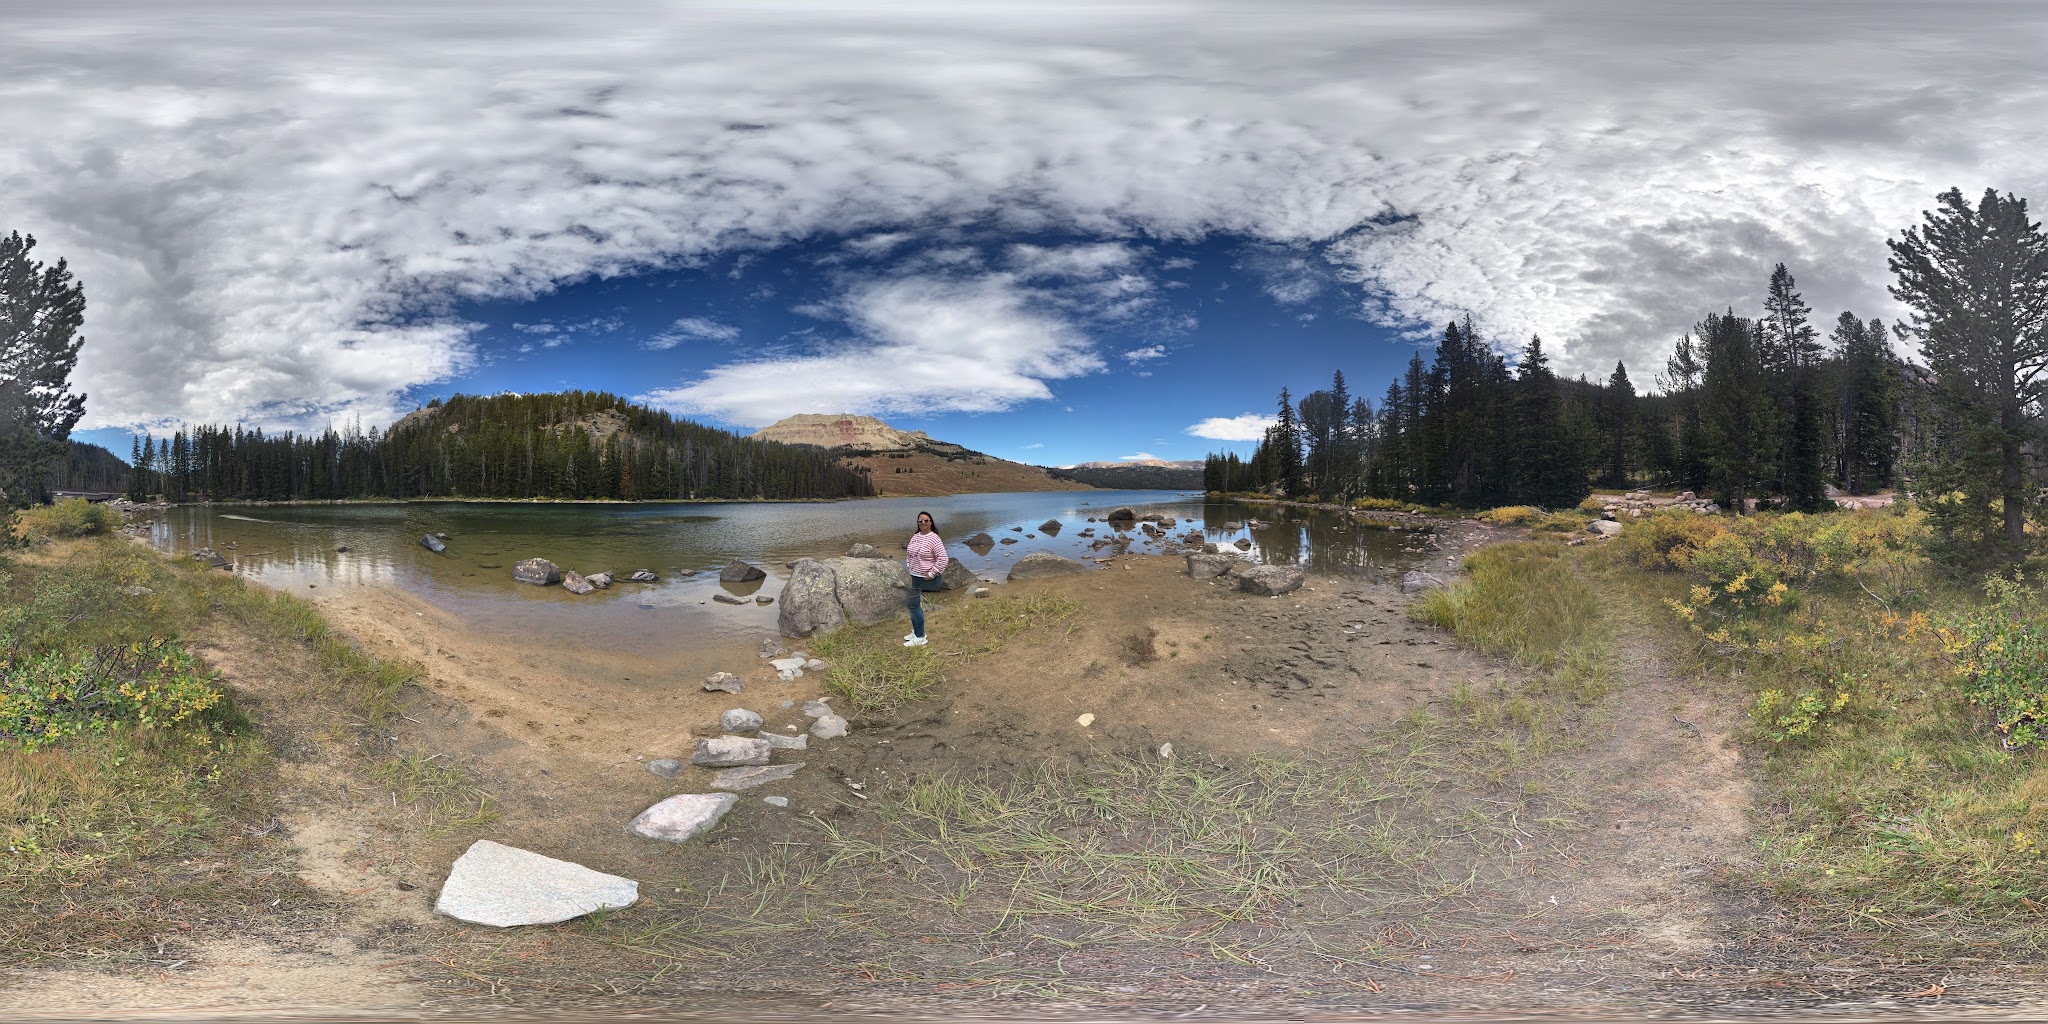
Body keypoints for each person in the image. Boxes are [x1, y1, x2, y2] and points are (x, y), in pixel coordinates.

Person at [903, 510, 947, 647]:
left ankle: (920, 637)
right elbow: (910, 553)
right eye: (920, 521)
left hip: (925, 578)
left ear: (931, 522)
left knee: (913, 606)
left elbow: (943, 558)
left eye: (926, 520)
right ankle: (916, 632)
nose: (923, 523)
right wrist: (909, 565)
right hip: (914, 575)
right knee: (913, 605)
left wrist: (933, 573)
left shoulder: (934, 538)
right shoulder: (916, 536)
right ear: (918, 523)